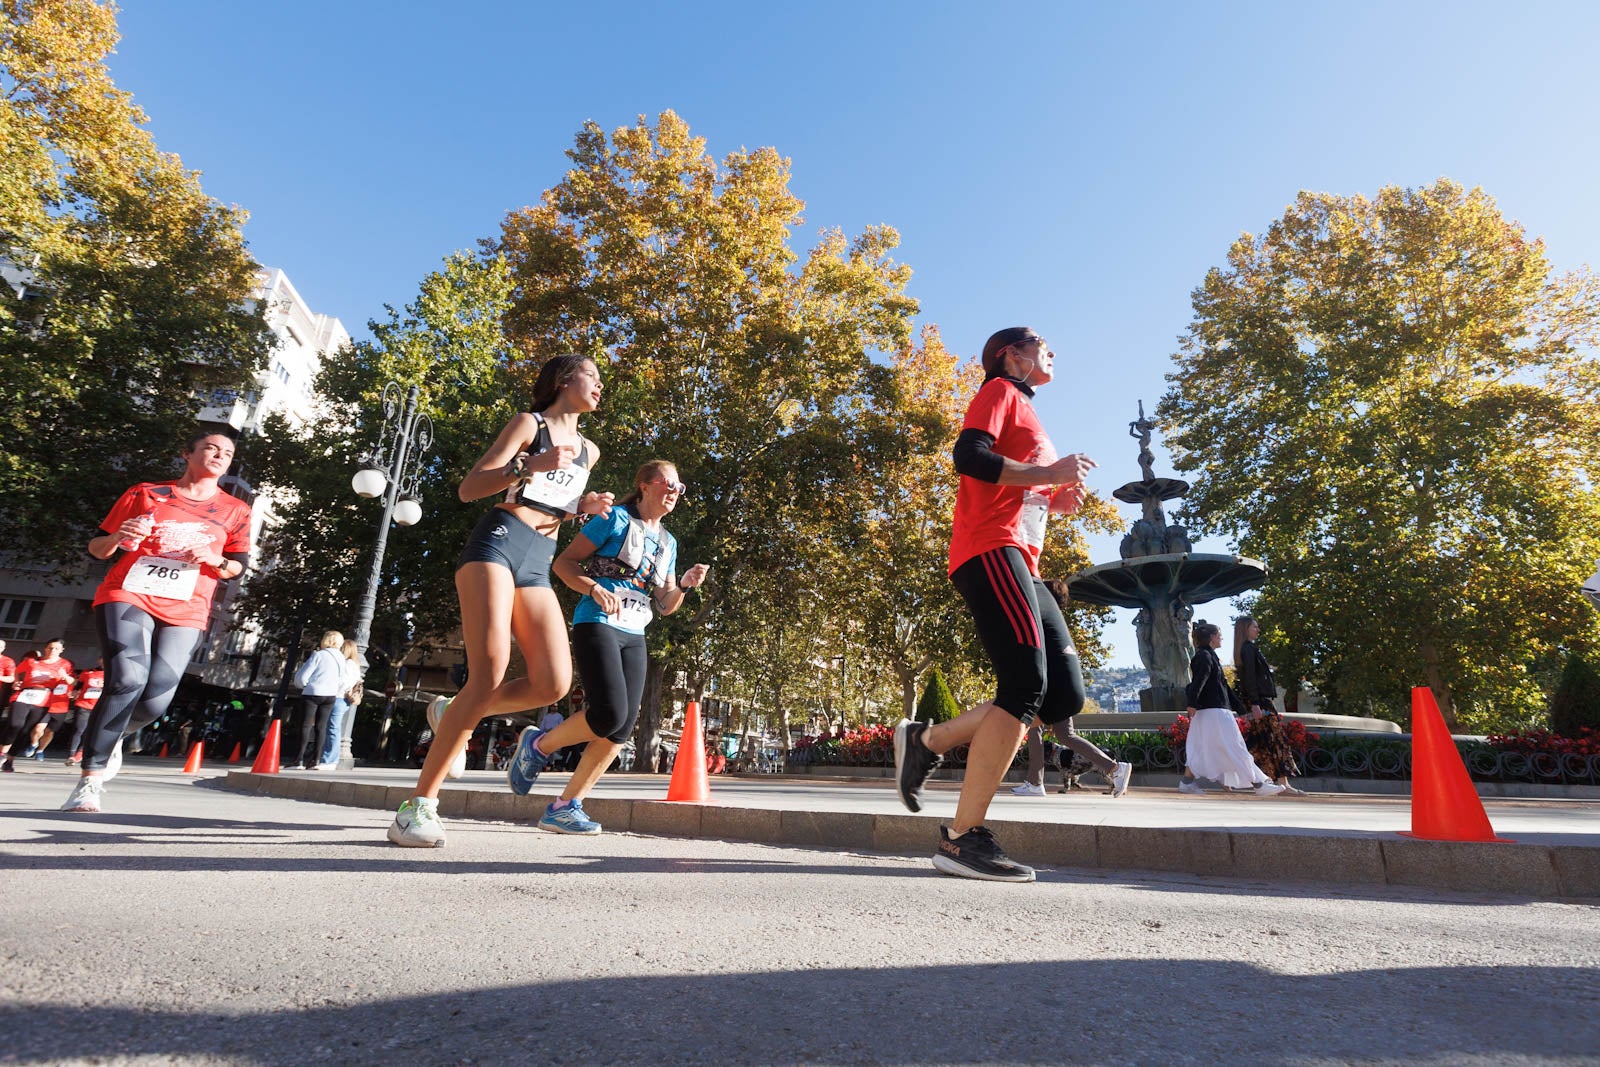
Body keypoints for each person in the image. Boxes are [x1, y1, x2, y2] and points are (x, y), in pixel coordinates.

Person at [892, 326, 1099, 882]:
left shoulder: (1029, 412)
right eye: (1041, 343)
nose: (1051, 350)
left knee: (1061, 695)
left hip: (1024, 563)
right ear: (1012, 354)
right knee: (1023, 685)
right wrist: (1048, 474)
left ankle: (926, 740)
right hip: (989, 548)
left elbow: (1026, 486)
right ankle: (961, 839)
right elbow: (970, 456)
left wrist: (1059, 496)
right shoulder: (1000, 391)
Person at [388, 354, 613, 847]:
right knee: (490, 670)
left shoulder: (589, 452)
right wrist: (528, 463)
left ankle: (455, 713)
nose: (600, 384)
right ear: (562, 380)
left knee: (552, 682)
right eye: (591, 375)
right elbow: (472, 487)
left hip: (539, 555)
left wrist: (583, 508)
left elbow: (555, 500)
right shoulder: (529, 425)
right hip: (498, 541)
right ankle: (417, 806)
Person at [513, 460, 711, 833]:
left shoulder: (669, 542)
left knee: (620, 729)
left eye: (680, 487)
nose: (675, 492)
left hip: (635, 632)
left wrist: (684, 585)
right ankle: (540, 745)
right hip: (597, 622)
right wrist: (593, 587)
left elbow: (666, 605)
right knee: (607, 714)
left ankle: (564, 805)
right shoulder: (614, 519)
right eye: (669, 483)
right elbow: (564, 564)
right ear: (646, 485)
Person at [60, 432, 252, 813]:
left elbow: (237, 567)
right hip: (129, 593)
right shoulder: (145, 493)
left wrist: (214, 559)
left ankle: (112, 737)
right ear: (188, 453)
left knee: (155, 700)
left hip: (187, 605)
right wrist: (118, 536)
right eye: (211, 448)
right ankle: (89, 780)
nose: (219, 456)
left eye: (227, 453)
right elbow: (98, 548)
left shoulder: (236, 510)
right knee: (127, 680)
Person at [1010, 579, 1131, 798]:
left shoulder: (1043, 620)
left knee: (1048, 730)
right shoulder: (1057, 621)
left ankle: (1037, 782)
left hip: (1051, 685)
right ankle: (1112, 768)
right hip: (1061, 685)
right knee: (1060, 733)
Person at [1178, 620, 1285, 796]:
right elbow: (1199, 682)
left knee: (1200, 747)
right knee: (1235, 746)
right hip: (1215, 711)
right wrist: (1192, 703)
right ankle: (1258, 784)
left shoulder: (1207, 656)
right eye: (1219, 635)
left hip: (1210, 710)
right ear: (1212, 637)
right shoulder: (1205, 657)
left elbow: (1223, 687)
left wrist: (1241, 710)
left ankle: (1186, 782)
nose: (1221, 638)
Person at [1234, 616, 1305, 796]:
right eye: (1255, 627)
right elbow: (1250, 677)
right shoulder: (1248, 649)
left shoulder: (1244, 649)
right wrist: (1256, 703)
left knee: (1261, 741)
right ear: (1246, 629)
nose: (1258, 630)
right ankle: (1282, 784)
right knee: (1276, 739)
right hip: (1260, 700)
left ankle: (1265, 782)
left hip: (1257, 700)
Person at [1, 640, 74, 772]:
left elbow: (72, 682)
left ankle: (10, 759)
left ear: (62, 650)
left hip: (44, 698)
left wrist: (65, 676)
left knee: (25, 730)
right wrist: (17, 682)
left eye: (57, 649)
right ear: (45, 648)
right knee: (14, 724)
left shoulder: (65, 664)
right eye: (50, 648)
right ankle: (2, 753)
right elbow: (17, 671)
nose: (53, 651)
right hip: (24, 693)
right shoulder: (31, 661)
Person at [287, 631, 346, 770]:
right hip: (331, 695)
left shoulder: (319, 655)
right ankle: (316, 760)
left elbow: (301, 677)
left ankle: (298, 760)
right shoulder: (341, 658)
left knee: (305, 725)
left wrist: (303, 685)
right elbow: (342, 681)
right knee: (321, 727)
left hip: (313, 692)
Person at [316, 639, 363, 770]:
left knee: (332, 728)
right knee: (332, 727)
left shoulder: (348, 664)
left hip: (339, 697)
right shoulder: (353, 664)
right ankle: (328, 758)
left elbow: (344, 682)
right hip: (341, 698)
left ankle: (330, 759)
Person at [59, 659, 104, 765]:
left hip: (101, 707)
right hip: (84, 704)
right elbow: (79, 684)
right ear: (99, 661)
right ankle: (71, 756)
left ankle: (80, 753)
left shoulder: (114, 674)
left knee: (92, 732)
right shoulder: (88, 672)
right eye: (102, 660)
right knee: (78, 729)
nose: (104, 663)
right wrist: (74, 692)